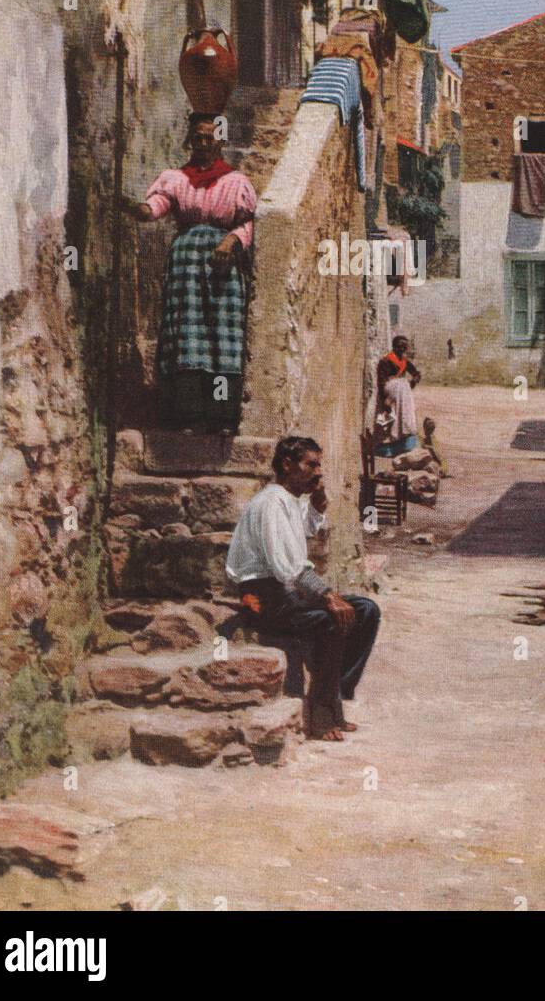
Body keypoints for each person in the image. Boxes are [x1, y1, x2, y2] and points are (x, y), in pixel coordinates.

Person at [225, 436, 380, 742]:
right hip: (258, 599)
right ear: (287, 465)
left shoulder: (288, 500)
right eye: (311, 464)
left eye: (319, 464)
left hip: (282, 593)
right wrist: (327, 596)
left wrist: (317, 506)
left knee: (366, 610)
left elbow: (304, 532)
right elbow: (287, 568)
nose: (319, 472)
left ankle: (335, 694)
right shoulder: (271, 503)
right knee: (333, 620)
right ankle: (321, 715)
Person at [123, 114, 257, 432]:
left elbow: (247, 222)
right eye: (197, 137)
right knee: (187, 334)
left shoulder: (236, 182)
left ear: (221, 141)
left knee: (222, 335)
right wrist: (132, 207)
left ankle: (222, 416)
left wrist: (231, 240)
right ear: (190, 140)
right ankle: (187, 415)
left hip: (222, 268)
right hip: (186, 267)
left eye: (210, 138)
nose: (203, 144)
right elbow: (153, 208)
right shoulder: (176, 179)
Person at [376, 335, 421, 456]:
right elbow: (381, 382)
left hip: (401, 391)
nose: (402, 349)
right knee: (402, 383)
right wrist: (385, 398)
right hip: (390, 389)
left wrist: (414, 381)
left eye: (404, 347)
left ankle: (405, 431)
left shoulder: (405, 362)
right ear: (394, 347)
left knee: (404, 384)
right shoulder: (385, 361)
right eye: (399, 346)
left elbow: (416, 373)